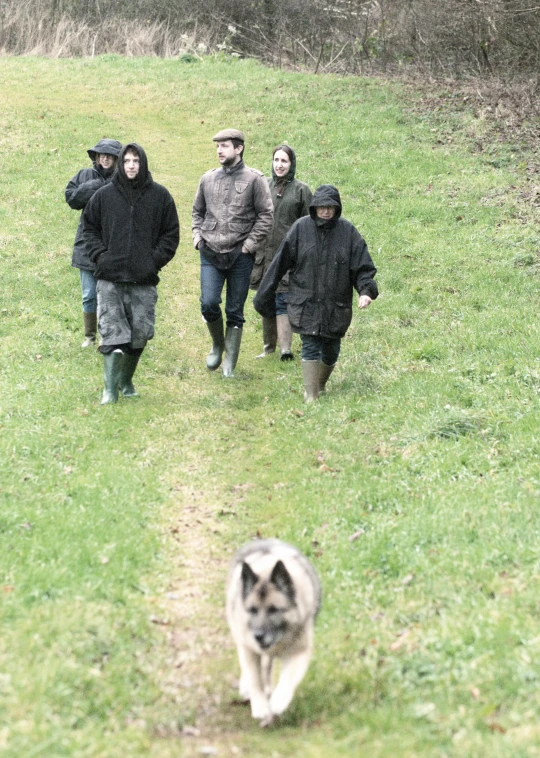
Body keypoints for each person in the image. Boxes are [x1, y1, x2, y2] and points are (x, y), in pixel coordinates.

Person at [253, 185, 378, 402]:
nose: (326, 212)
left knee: (331, 349)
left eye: (330, 207)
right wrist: (265, 293)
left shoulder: (348, 233)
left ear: (337, 208)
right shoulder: (301, 229)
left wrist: (366, 291)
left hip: (336, 305)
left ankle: (320, 385)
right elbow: (279, 263)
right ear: (314, 208)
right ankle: (311, 396)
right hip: (305, 302)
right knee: (310, 344)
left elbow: (363, 267)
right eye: (322, 207)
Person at [83, 143, 179, 404]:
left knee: (139, 336)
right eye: (126, 161)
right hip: (109, 279)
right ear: (120, 164)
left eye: (136, 161)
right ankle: (109, 390)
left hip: (143, 279)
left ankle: (126, 381)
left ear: (143, 163)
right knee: (113, 334)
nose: (131, 165)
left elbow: (171, 235)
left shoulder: (160, 196)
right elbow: (88, 229)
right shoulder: (104, 196)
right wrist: (100, 257)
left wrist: (152, 261)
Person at [192, 128, 273, 377]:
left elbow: (266, 215)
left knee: (235, 310)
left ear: (239, 148)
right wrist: (197, 238)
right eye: (217, 146)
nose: (219, 150)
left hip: (241, 255)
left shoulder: (254, 179)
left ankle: (230, 363)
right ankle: (217, 343)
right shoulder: (207, 179)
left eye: (225, 146)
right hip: (210, 252)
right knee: (208, 303)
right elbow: (197, 212)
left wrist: (249, 246)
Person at [250, 144, 312, 360]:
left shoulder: (302, 191)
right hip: (264, 255)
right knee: (265, 297)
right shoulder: (263, 186)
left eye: (284, 161)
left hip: (288, 256)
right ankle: (268, 349)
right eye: (276, 160)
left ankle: (286, 350)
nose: (279, 165)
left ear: (291, 164)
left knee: (283, 299)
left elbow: (309, 225)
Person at [65, 139, 122, 347]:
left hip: (112, 246)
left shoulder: (123, 180)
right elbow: (71, 199)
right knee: (89, 294)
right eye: (101, 154)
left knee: (110, 295)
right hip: (86, 245)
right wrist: (90, 187)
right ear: (96, 157)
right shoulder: (84, 175)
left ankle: (108, 335)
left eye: (109, 155)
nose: (105, 158)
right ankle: (89, 337)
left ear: (117, 158)